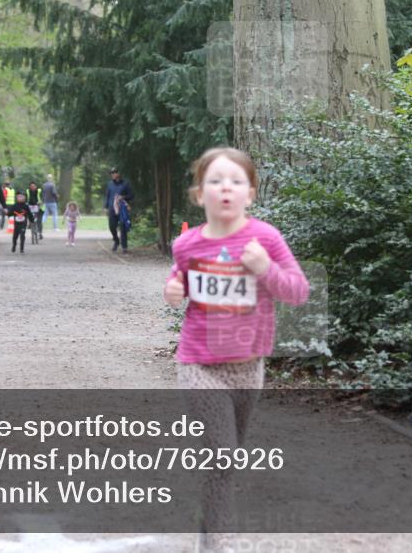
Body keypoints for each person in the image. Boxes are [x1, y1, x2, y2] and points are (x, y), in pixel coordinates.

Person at [163, 147, 309, 549]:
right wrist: (173, 289)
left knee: (225, 464)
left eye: (236, 181)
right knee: (223, 457)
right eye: (215, 181)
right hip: (200, 365)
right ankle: (220, 544)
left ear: (251, 193)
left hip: (248, 368)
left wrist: (266, 269)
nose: (225, 188)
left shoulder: (265, 239)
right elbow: (180, 282)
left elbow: (297, 292)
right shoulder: (188, 244)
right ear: (199, 194)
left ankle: (207, 529)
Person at [104, 166, 134, 253]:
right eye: (111, 173)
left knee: (123, 227)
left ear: (119, 173)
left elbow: (132, 195)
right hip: (112, 208)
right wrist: (105, 207)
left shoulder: (126, 184)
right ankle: (116, 241)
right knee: (112, 226)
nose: (113, 174)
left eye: (115, 172)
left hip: (122, 209)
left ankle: (124, 247)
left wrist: (123, 197)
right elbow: (107, 196)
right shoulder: (110, 184)